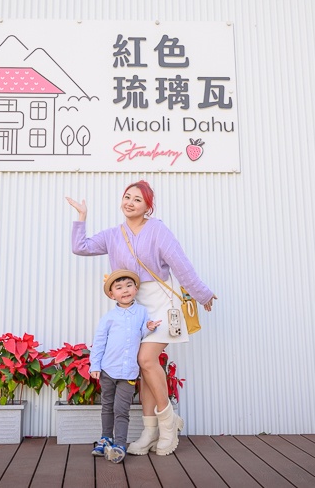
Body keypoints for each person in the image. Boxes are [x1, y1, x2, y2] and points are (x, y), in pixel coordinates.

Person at [68, 181, 217, 456]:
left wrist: (203, 294)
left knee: (146, 359)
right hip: (133, 307)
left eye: (137, 199)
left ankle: (168, 424)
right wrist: (82, 217)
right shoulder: (113, 234)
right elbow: (81, 247)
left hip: (161, 302)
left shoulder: (158, 230)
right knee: (145, 370)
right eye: (127, 197)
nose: (130, 202)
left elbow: (180, 264)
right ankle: (150, 432)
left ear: (148, 206)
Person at [89, 269, 161, 463]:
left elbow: (144, 333)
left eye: (129, 285)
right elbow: (99, 342)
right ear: (112, 294)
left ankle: (119, 444)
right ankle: (105, 439)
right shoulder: (109, 318)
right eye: (119, 287)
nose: (125, 290)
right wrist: (95, 365)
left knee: (122, 409)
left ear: (136, 289)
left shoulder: (142, 312)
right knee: (107, 406)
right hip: (108, 370)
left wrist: (150, 327)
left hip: (128, 372)